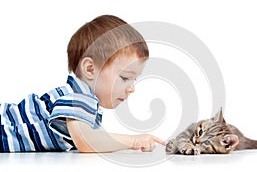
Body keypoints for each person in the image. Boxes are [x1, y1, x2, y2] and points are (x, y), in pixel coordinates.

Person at [0, 15, 166, 153]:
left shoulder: (85, 103)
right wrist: (134, 140)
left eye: (134, 79)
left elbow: (96, 139)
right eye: (124, 78)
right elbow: (87, 141)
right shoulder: (77, 97)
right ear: (90, 68)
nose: (131, 88)